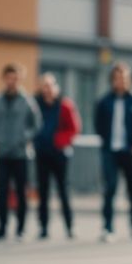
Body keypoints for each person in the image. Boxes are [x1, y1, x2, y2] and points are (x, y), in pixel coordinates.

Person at [95, 62, 132, 242]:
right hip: (110, 151)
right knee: (109, 189)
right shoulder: (105, 101)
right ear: (112, 80)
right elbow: (99, 124)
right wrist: (105, 142)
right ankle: (108, 228)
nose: (121, 81)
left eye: (124, 78)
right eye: (118, 78)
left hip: (130, 151)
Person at [0, 63, 41, 242]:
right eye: (9, 77)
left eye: (16, 78)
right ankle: (2, 228)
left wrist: (24, 139)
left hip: (21, 155)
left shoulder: (28, 101)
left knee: (21, 193)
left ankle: (21, 228)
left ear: (20, 79)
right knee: (1, 192)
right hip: (2, 154)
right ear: (4, 78)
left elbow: (36, 125)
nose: (12, 81)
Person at [33, 72, 81, 240]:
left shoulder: (65, 105)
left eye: (49, 85)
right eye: (43, 85)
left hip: (60, 154)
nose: (47, 89)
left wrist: (59, 141)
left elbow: (74, 128)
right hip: (42, 153)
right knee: (43, 193)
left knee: (63, 191)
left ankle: (69, 227)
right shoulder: (35, 104)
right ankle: (43, 227)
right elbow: (30, 125)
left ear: (55, 87)